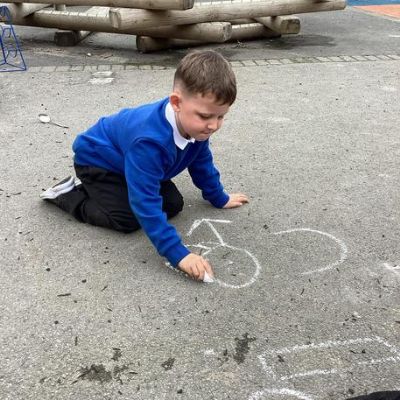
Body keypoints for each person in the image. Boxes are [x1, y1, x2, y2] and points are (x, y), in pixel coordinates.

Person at [40, 50, 249, 281]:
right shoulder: (149, 142)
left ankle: (111, 189)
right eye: (205, 116)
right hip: (98, 162)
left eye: (220, 116)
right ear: (176, 103)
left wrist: (218, 197)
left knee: (173, 204)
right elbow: (144, 200)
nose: (213, 126)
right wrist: (178, 254)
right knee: (127, 219)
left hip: (131, 162)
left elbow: (201, 161)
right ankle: (69, 194)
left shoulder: (195, 126)